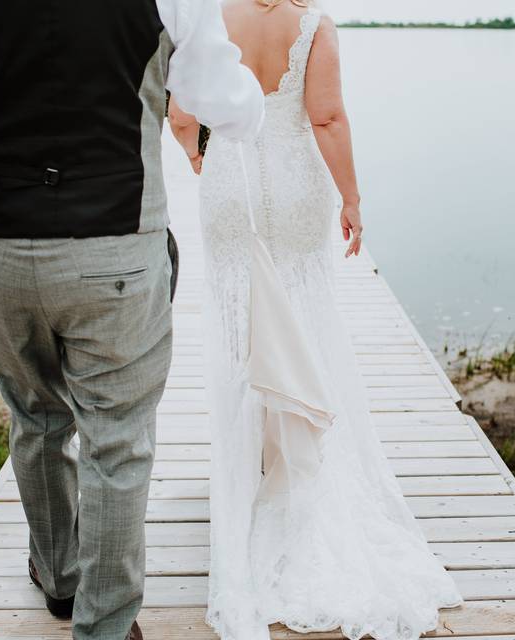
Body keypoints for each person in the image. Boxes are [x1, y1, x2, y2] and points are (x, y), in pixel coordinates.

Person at [0, 1, 264, 639]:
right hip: (119, 247)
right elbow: (225, 100)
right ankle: (103, 625)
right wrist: (251, 109)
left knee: (35, 415)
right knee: (118, 440)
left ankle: (59, 580)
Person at [168, 1, 463, 639]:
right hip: (299, 182)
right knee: (303, 315)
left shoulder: (210, 18)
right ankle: (295, 456)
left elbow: (182, 113)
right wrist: (352, 198)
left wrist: (197, 157)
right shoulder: (315, 26)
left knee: (241, 325)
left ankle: (253, 465)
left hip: (233, 183)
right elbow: (325, 117)